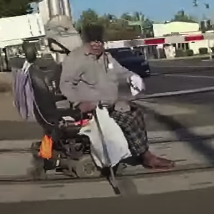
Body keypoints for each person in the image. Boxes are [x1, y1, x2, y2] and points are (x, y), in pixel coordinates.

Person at [59, 24, 174, 169]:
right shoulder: (76, 58)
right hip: (93, 110)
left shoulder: (107, 57)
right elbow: (66, 84)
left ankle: (139, 152)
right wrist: (78, 103)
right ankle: (146, 157)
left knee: (136, 113)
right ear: (86, 42)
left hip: (108, 107)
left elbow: (121, 71)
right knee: (128, 120)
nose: (96, 45)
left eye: (99, 41)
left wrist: (132, 76)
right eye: (92, 42)